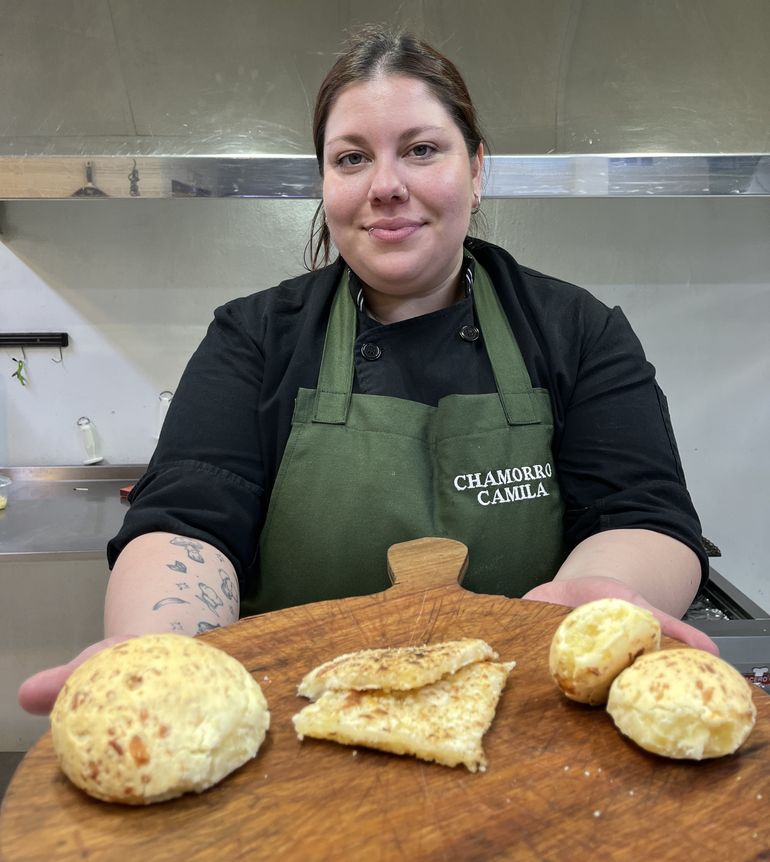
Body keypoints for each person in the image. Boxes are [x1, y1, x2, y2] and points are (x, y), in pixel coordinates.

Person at [19, 26, 716, 715]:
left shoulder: (577, 332)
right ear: (325, 181)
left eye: (420, 149)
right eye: (351, 158)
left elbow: (643, 513)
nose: (385, 185)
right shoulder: (254, 338)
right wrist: (158, 648)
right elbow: (187, 523)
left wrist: (590, 597)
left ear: (476, 168)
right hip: (291, 737)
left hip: (525, 725)